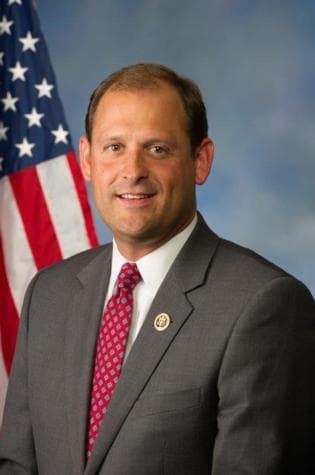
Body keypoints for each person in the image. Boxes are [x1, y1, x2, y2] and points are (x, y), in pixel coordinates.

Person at [0, 63, 314, 475]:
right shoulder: (50, 294)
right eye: (114, 147)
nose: (133, 171)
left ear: (201, 161)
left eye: (157, 148)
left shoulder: (265, 305)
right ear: (87, 159)